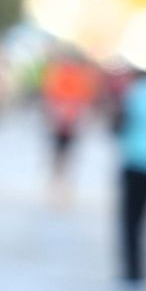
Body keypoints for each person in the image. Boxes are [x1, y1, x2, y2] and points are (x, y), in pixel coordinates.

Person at [41, 49, 99, 197]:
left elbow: (84, 99)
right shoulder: (61, 75)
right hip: (62, 119)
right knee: (59, 148)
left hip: (70, 119)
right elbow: (52, 96)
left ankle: (60, 176)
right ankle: (57, 175)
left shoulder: (80, 77)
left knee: (65, 149)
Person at [117, 68, 146, 291]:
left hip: (136, 162)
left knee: (132, 221)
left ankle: (133, 274)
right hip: (137, 160)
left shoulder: (136, 92)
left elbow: (119, 124)